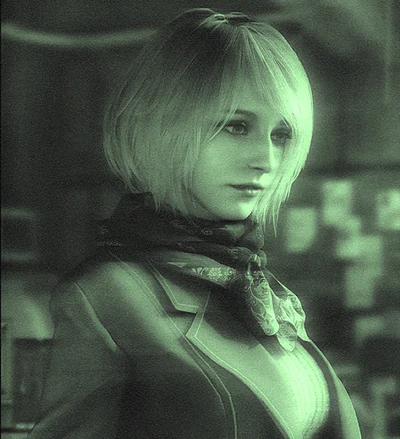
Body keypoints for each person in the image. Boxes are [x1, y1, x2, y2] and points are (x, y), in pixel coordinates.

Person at [28, 8, 361, 439]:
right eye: (236, 126)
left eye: (281, 135)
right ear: (162, 126)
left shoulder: (264, 291)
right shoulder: (107, 296)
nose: (266, 159)